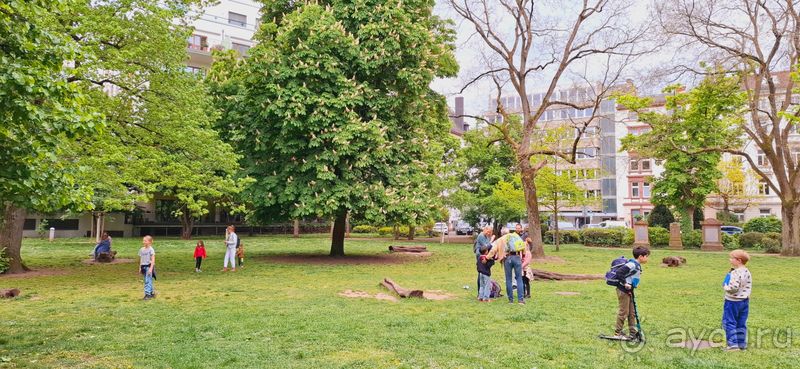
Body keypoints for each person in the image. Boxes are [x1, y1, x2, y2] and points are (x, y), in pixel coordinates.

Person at [612, 246, 650, 339]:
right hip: (623, 290)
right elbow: (619, 272)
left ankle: (632, 332)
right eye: (647, 256)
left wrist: (634, 284)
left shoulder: (636, 265)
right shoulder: (632, 264)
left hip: (629, 290)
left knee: (632, 312)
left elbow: (631, 276)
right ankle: (618, 332)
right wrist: (625, 283)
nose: (648, 258)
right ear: (640, 256)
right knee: (624, 311)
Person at [722, 249, 752, 351]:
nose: (730, 260)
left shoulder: (735, 273)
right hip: (744, 301)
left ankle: (732, 344)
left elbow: (733, 288)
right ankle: (741, 344)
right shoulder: (747, 272)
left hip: (732, 302)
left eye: (732, 258)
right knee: (741, 322)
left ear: (739, 260)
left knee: (729, 321)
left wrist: (726, 287)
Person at [473, 226, 494, 293]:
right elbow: (485, 247)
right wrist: (491, 241)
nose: (488, 233)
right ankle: (480, 290)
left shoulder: (486, 236)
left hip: (486, 254)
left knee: (485, 272)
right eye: (487, 231)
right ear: (485, 229)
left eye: (490, 232)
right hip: (480, 254)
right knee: (481, 272)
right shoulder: (481, 236)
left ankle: (484, 290)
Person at [138, 235, 156, 301]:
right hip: (143, 267)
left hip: (148, 267)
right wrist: (140, 267)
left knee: (147, 281)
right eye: (143, 240)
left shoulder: (151, 250)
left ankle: (147, 295)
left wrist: (151, 268)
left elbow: (153, 260)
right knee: (148, 280)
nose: (144, 242)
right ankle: (152, 292)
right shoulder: (141, 250)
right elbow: (141, 259)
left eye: (145, 241)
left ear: (150, 242)